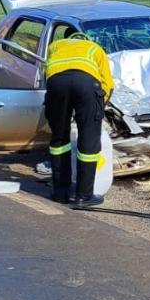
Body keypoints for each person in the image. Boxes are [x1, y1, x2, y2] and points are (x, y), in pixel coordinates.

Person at [43, 32, 114, 208]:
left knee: (59, 139)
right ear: (85, 39)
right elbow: (108, 84)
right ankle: (83, 196)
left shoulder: (55, 46)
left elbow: (48, 75)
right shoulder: (94, 48)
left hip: (56, 84)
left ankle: (60, 192)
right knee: (88, 140)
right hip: (86, 84)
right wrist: (96, 106)